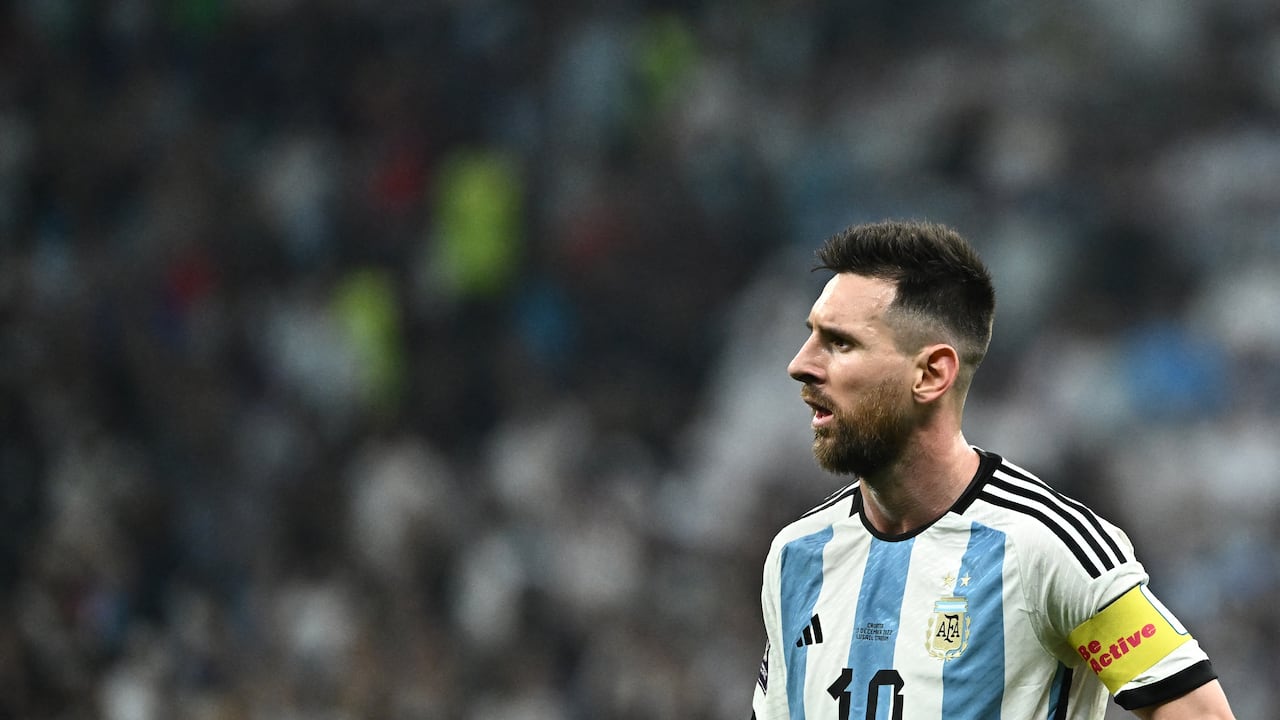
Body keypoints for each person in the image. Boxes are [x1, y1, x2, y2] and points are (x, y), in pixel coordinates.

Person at [750, 220, 1234, 719]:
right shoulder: (796, 556)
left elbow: (1203, 715)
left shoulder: (1047, 546)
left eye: (840, 343)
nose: (800, 364)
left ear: (932, 373)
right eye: (811, 336)